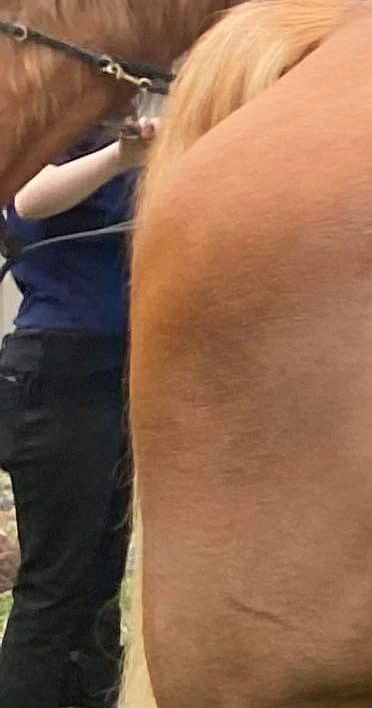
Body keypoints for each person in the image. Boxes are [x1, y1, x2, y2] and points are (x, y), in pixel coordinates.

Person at [0, 113, 151, 708]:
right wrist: (119, 156)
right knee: (56, 586)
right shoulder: (49, 139)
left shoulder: (123, 149)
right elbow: (28, 200)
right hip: (58, 376)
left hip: (116, 376)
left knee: (100, 582)